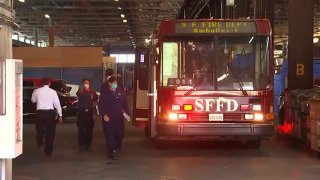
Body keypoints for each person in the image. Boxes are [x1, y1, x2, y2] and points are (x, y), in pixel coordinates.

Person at [98, 76, 130, 160]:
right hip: (109, 119)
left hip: (119, 118)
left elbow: (125, 104)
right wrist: (104, 115)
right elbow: (100, 106)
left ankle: (116, 147)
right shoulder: (105, 94)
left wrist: (127, 114)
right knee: (110, 136)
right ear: (109, 83)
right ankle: (112, 152)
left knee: (120, 134)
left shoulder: (120, 93)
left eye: (116, 83)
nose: (115, 84)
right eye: (113, 83)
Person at [31, 78, 63, 157]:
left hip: (40, 113)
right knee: (50, 132)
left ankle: (40, 141)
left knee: (39, 129)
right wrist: (60, 115)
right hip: (50, 114)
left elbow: (33, 100)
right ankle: (48, 151)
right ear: (49, 84)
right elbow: (57, 104)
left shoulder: (36, 91)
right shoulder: (53, 92)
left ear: (42, 83)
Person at [76, 79, 98, 151]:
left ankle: (88, 144)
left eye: (88, 83)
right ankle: (81, 144)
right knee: (81, 129)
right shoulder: (81, 91)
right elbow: (78, 94)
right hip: (82, 113)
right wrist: (81, 89)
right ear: (83, 84)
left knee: (89, 129)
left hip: (89, 113)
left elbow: (96, 99)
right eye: (85, 83)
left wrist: (94, 111)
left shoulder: (92, 92)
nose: (86, 84)